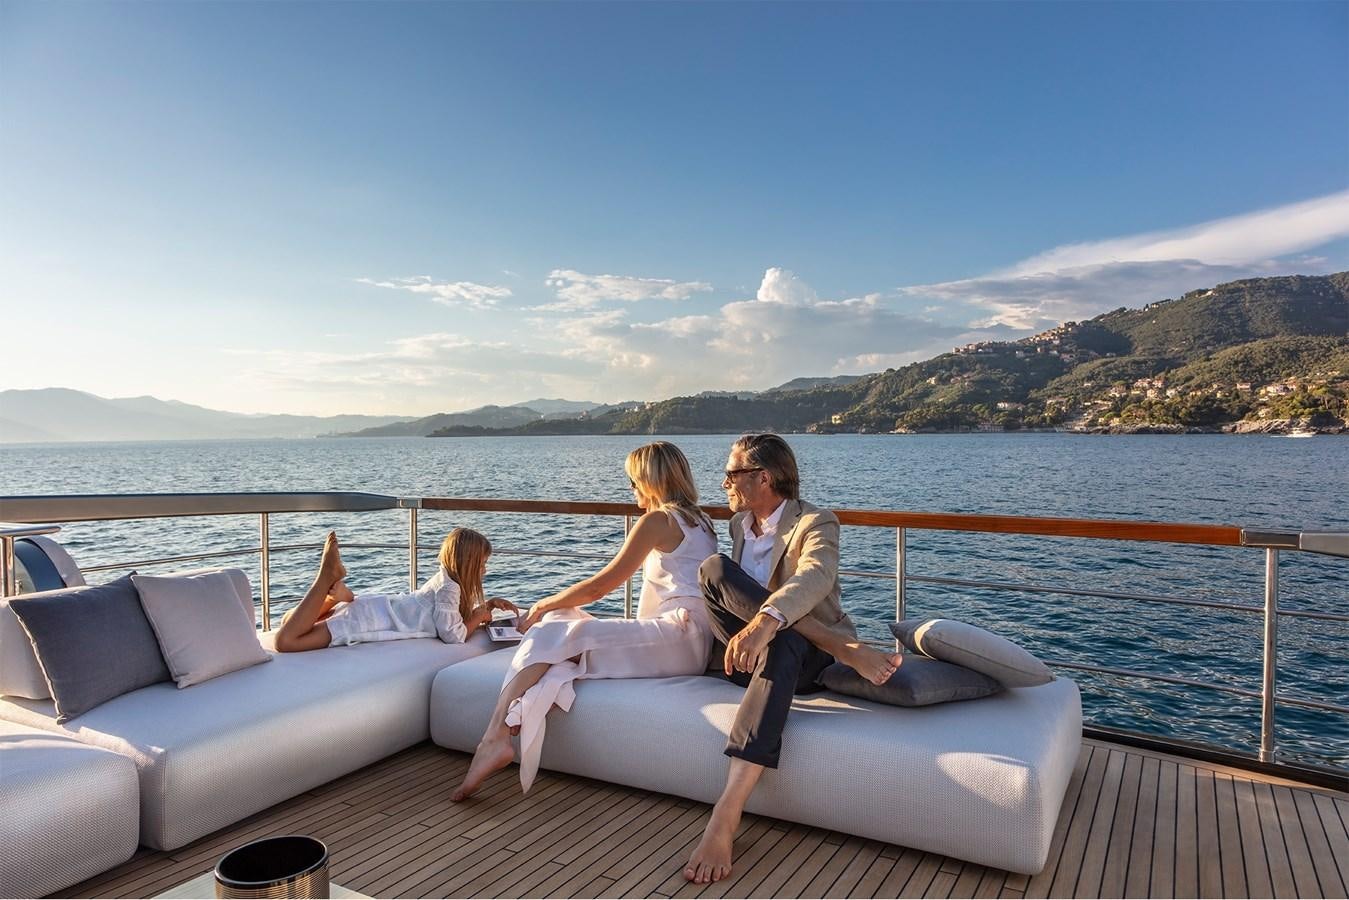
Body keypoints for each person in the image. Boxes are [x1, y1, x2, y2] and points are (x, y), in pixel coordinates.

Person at [683, 433, 902, 884]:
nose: (723, 482)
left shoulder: (816, 522)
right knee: (715, 569)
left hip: (801, 661)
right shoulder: (737, 526)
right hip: (743, 655)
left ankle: (726, 813)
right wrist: (763, 624)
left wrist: (768, 622)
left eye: (731, 473)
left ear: (763, 477)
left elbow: (815, 577)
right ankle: (843, 645)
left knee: (782, 638)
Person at [451, 441, 718, 801]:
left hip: (678, 636)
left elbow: (601, 586)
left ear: (653, 480)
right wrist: (552, 609)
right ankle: (512, 721)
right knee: (560, 626)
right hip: (686, 639)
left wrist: (543, 603)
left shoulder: (659, 520)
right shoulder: (701, 521)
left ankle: (494, 735)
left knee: (555, 626)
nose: (631, 488)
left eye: (634, 480)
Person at [274, 527, 516, 652]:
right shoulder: (449, 591)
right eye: (482, 565)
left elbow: (446, 617)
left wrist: (488, 604)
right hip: (366, 620)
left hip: (375, 607)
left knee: (290, 621)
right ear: (469, 565)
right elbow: (453, 635)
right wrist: (479, 616)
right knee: (286, 641)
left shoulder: (445, 581)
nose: (485, 570)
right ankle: (326, 577)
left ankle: (339, 597)